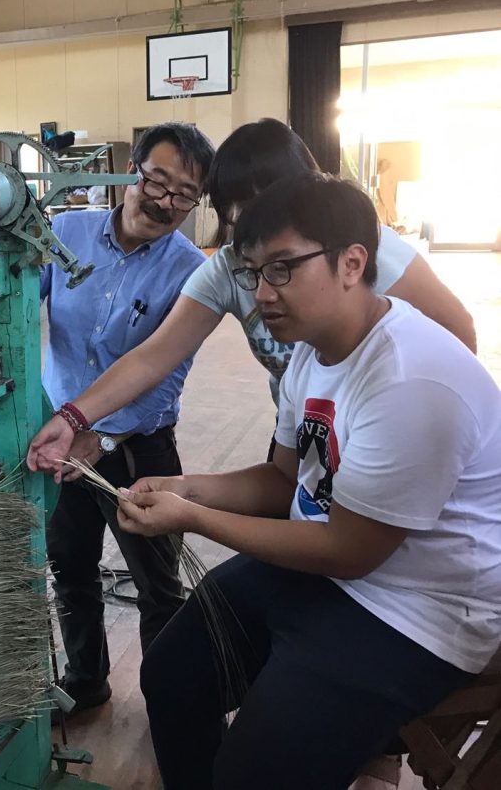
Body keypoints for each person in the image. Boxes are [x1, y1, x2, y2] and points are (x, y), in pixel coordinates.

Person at [113, 172, 501, 790]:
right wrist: (191, 488)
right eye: (254, 273)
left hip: (419, 610)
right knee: (172, 675)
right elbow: (282, 479)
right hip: (332, 570)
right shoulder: (310, 353)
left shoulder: (410, 377)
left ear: (353, 263)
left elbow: (350, 553)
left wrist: (193, 518)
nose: (263, 293)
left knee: (255, 772)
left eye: (284, 269)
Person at [28, 119, 476, 475]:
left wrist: (427, 430)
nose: (254, 222)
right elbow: (153, 357)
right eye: (237, 209)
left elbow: (457, 337)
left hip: (381, 432)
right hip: (300, 428)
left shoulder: (361, 246)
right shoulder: (227, 267)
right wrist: (72, 419)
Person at [43, 123, 215, 718]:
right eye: (156, 182)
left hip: (140, 447)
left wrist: (104, 433)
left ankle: (169, 706)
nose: (165, 202)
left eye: (185, 194)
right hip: (60, 441)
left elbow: (165, 374)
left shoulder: (192, 271)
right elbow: (14, 304)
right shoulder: (64, 233)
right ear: (131, 173)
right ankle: (86, 679)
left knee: (159, 585)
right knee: (70, 566)